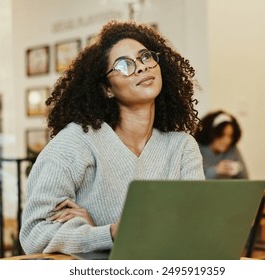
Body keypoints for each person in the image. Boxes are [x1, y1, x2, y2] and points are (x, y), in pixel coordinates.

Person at [19, 20, 205, 255]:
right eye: (124, 65)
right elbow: (35, 234)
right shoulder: (74, 144)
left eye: (146, 57)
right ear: (107, 88)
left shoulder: (182, 146)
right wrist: (110, 234)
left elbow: (194, 230)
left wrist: (98, 229)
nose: (141, 67)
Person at [194, 110, 248, 179]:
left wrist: (238, 169)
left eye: (230, 136)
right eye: (221, 135)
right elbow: (194, 180)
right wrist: (215, 170)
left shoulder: (232, 149)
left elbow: (245, 178)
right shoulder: (197, 148)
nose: (227, 140)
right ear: (211, 134)